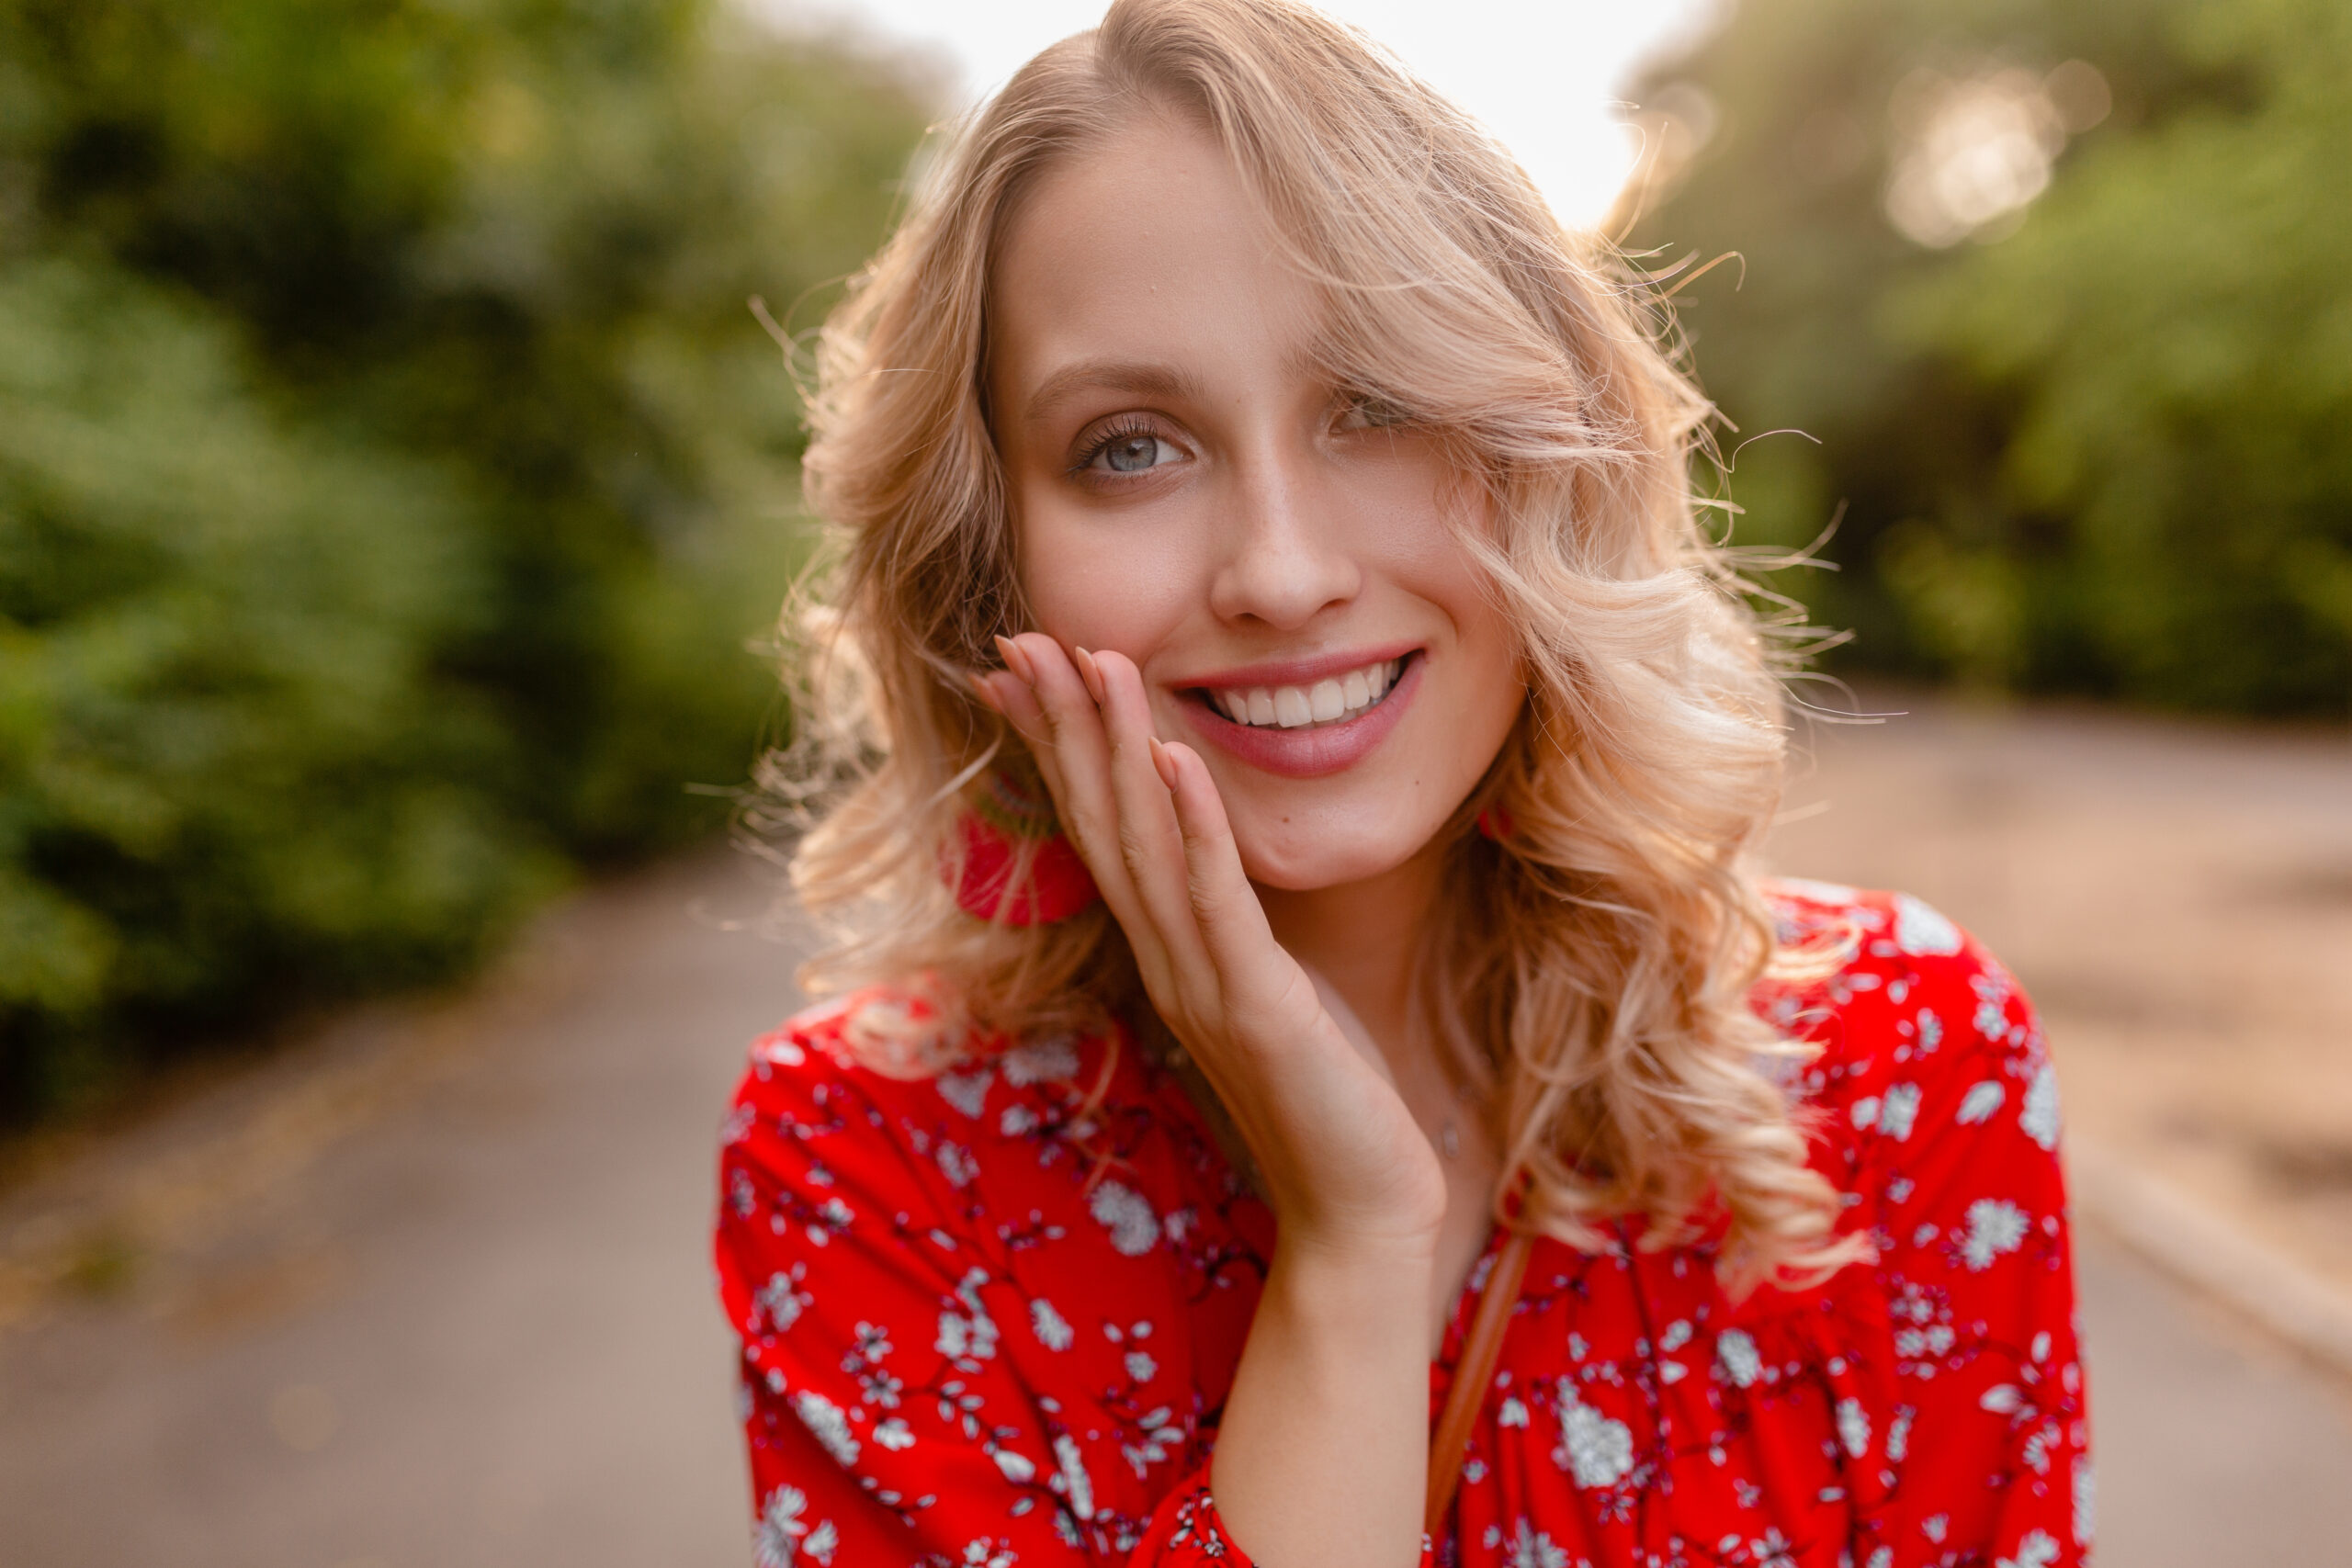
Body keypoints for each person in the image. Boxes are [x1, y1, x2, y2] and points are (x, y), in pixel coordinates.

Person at [713, 2, 2089, 1564]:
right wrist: (1354, 1252)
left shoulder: (1898, 1068)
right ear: (990, 567)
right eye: (1130, 447)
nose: (1283, 574)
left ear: (1544, 458)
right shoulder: (876, 1171)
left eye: (1375, 403)